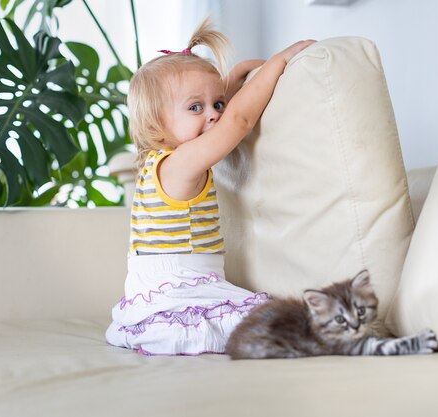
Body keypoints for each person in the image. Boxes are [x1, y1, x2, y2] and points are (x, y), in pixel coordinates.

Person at [105, 18, 315, 356]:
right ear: (156, 122)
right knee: (279, 320)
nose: (215, 114)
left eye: (217, 103)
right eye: (195, 107)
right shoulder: (181, 165)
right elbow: (238, 121)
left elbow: (222, 112)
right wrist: (278, 62)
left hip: (153, 291)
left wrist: (239, 76)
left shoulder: (160, 159)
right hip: (182, 292)